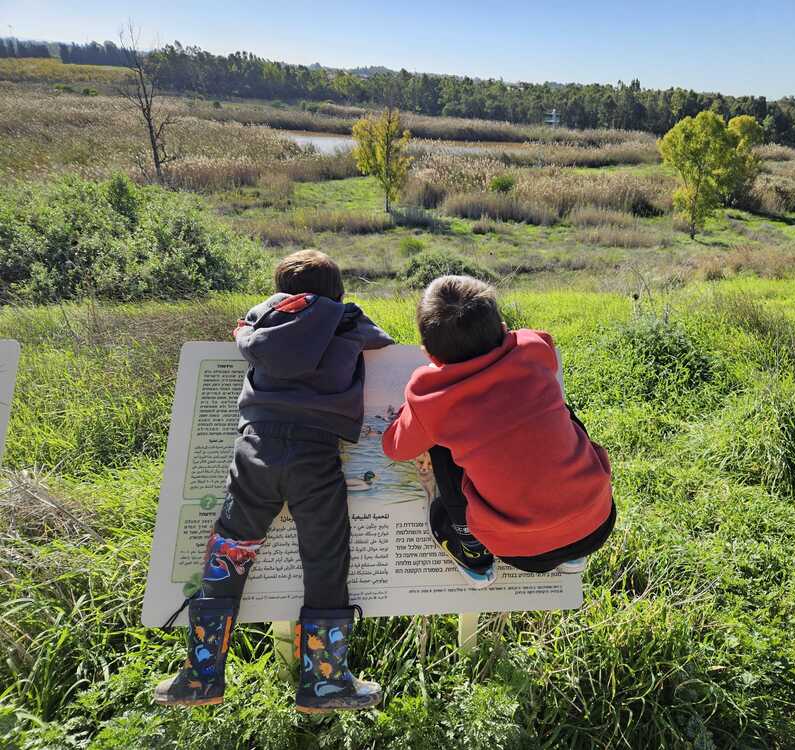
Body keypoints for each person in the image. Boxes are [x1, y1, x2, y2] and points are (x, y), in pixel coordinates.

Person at [154, 249, 392, 712]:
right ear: (338, 292)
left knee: (229, 553)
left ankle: (203, 677)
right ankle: (324, 685)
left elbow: (242, 334)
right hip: (316, 455)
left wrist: (254, 324)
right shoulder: (346, 321)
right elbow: (380, 338)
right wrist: (340, 312)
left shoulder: (262, 318)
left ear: (282, 290)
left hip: (256, 448)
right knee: (325, 557)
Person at [381, 275, 615, 588]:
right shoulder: (532, 349)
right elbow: (538, 345)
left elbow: (396, 448)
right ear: (503, 328)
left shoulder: (429, 398)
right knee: (558, 410)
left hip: (523, 553)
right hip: (597, 523)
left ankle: (473, 554)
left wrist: (413, 414)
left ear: (429, 354)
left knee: (439, 445)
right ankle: (573, 552)